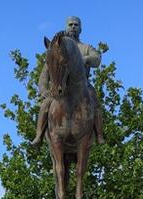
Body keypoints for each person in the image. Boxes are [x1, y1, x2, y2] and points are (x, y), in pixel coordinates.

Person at [32, 16, 105, 146]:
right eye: (70, 24)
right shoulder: (56, 50)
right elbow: (45, 74)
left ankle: (99, 134)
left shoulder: (86, 47)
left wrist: (86, 59)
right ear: (66, 27)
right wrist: (43, 90)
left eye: (76, 25)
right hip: (61, 87)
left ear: (80, 29)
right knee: (45, 104)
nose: (73, 27)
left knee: (95, 102)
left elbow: (97, 59)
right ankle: (39, 135)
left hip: (82, 86)